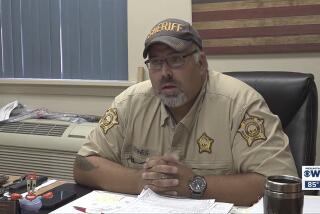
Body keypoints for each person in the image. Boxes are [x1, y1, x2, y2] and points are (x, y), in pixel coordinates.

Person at [73, 18, 298, 206]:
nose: (165, 72)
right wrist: (143, 181)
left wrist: (195, 185)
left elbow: (279, 185)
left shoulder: (240, 104)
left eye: (176, 60)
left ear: (202, 63)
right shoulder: (129, 103)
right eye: (156, 62)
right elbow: (84, 165)